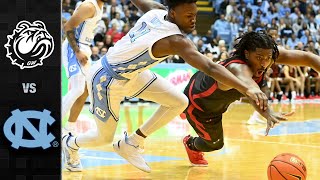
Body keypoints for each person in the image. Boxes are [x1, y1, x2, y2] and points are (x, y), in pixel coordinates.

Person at [62, 0, 269, 173]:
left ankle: (132, 142)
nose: (193, 19)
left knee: (179, 101)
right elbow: (208, 66)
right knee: (103, 138)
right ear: (173, 13)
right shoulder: (176, 41)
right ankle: (70, 143)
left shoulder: (156, 10)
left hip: (133, 74)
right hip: (107, 78)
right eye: (188, 15)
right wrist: (246, 87)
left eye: (195, 14)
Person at [182, 31, 320, 167]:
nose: (264, 63)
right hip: (199, 104)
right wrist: (266, 110)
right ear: (247, 54)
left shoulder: (267, 57)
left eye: (268, 58)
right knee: (215, 144)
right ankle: (191, 143)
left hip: (208, 89)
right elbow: (250, 87)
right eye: (259, 58)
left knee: (262, 83)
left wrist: (264, 107)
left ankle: (181, 107)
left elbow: (308, 58)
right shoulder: (238, 67)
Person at [61, 0, 106, 171]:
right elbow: (68, 27)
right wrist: (77, 51)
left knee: (85, 91)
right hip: (74, 48)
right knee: (78, 88)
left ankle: (69, 130)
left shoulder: (100, 6)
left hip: (84, 47)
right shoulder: (89, 5)